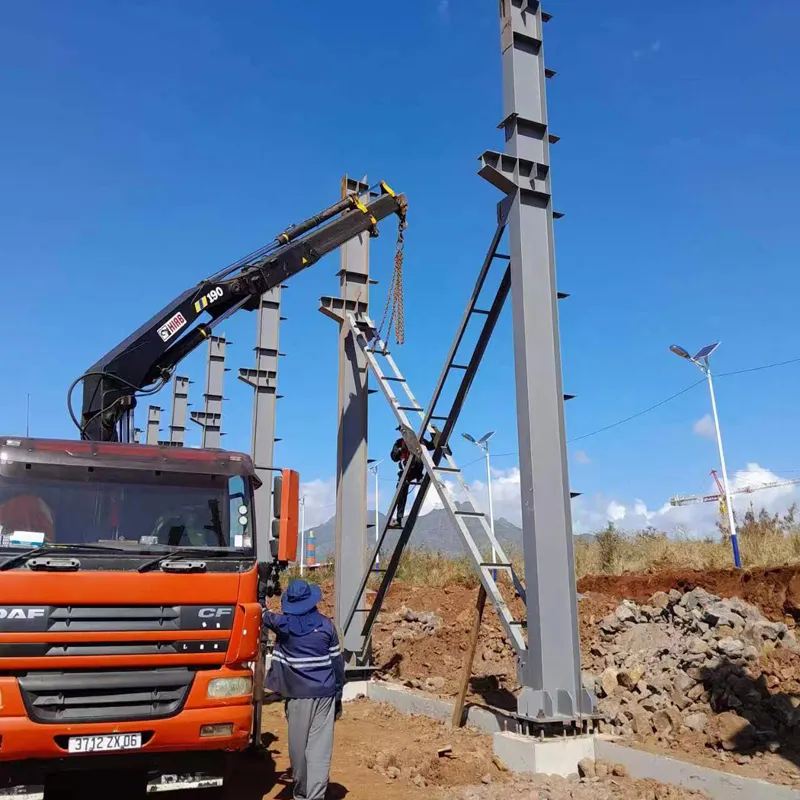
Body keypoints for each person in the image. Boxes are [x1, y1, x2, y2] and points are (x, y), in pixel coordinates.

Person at [262, 579, 344, 800]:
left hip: (298, 696)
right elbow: (337, 664)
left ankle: (301, 792)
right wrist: (338, 696)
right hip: (325, 694)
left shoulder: (283, 625)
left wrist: (260, 593)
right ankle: (315, 796)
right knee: (320, 748)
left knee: (298, 749)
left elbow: (263, 614)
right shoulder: (327, 626)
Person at [390, 426, 439, 527]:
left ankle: (419, 477)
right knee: (401, 493)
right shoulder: (399, 442)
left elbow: (432, 446)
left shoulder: (418, 441)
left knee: (419, 454)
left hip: (417, 469)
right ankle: (399, 519)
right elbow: (393, 457)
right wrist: (398, 451)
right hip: (405, 471)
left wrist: (434, 434)